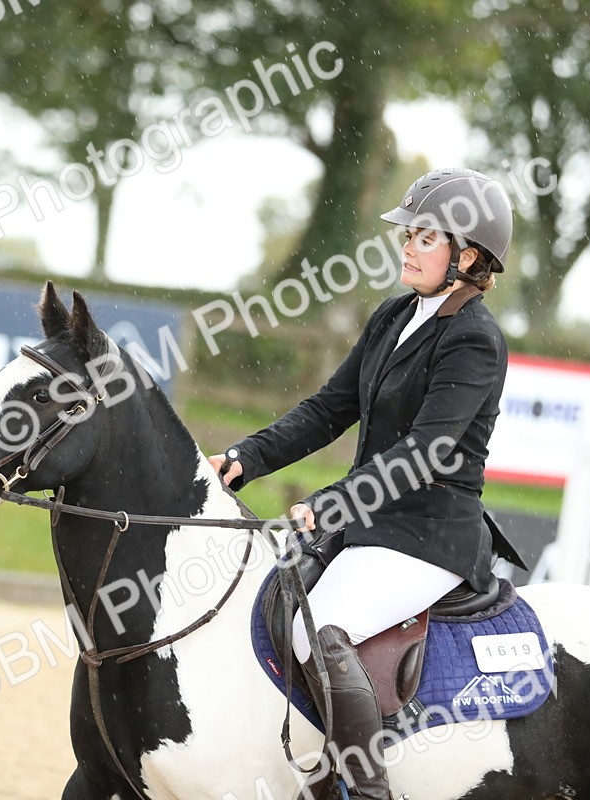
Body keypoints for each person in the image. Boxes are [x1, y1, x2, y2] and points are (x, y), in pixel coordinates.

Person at [209, 168, 515, 800]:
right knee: (272, 603)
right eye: (409, 232)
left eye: (425, 236)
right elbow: (329, 408)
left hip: (428, 535)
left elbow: (428, 450)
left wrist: (336, 503)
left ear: (470, 255)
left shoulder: (475, 339)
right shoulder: (395, 314)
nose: (407, 245)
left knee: (322, 629)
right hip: (373, 523)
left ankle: (364, 790)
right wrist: (245, 457)